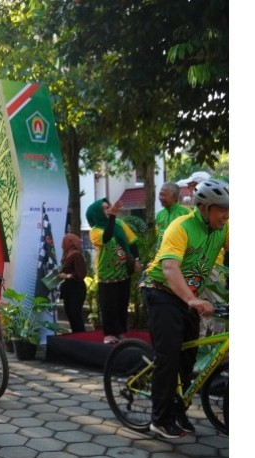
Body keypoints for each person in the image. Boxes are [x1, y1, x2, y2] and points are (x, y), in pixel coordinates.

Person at [140, 179, 228, 439]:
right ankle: (160, 419)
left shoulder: (223, 228)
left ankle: (178, 410)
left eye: (229, 209)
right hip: (161, 291)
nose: (226, 215)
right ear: (203, 208)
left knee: (188, 360)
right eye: (221, 209)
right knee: (169, 356)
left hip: (189, 296)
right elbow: (169, 268)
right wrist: (191, 299)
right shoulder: (181, 227)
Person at [87, 197, 143, 344]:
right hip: (107, 274)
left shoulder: (120, 223)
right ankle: (109, 334)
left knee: (122, 303)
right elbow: (107, 236)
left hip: (123, 271)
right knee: (108, 305)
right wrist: (112, 216)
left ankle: (120, 332)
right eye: (104, 208)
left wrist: (137, 260)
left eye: (108, 207)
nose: (108, 210)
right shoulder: (95, 231)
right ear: (96, 213)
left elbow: (132, 242)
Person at [57, 232, 88, 334]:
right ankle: (75, 335)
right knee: (70, 313)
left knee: (75, 314)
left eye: (64, 241)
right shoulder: (67, 255)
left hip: (76, 289)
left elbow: (81, 273)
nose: (62, 244)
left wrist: (67, 276)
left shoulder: (76, 255)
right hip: (69, 289)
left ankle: (80, 336)